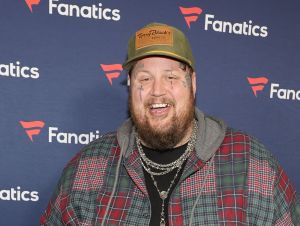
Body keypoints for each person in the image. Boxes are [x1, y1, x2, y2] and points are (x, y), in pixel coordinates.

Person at [40, 22, 300, 226]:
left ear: (193, 84)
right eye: (144, 79)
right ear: (130, 88)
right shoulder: (87, 168)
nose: (157, 92)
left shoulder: (253, 165)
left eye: (171, 77)